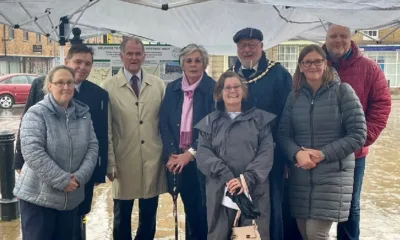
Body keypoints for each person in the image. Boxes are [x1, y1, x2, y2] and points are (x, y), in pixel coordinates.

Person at [13, 44, 109, 240]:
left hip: (72, 194)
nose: (66, 87)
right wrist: (62, 180)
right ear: (50, 85)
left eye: (70, 83)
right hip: (40, 194)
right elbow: (32, 148)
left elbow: (94, 145)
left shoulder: (84, 111)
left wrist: (81, 177)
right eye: (60, 83)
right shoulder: (37, 111)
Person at [277, 44, 367, 240]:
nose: (312, 66)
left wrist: (322, 154)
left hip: (332, 175)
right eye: (307, 62)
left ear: (325, 64)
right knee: (304, 233)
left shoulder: (343, 92)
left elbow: (358, 134)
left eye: (317, 61)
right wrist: (296, 153)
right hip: (301, 175)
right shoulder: (294, 96)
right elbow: (283, 134)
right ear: (300, 66)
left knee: (316, 234)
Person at [323, 24, 392, 240]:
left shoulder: (370, 68)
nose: (338, 40)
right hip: (319, 151)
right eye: (333, 36)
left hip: (354, 153)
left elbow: (381, 106)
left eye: (343, 36)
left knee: (350, 206)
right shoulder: (313, 63)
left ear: (351, 37)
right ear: (325, 38)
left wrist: (361, 139)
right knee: (312, 205)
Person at [229, 27, 294, 240]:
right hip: (238, 157)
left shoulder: (279, 74)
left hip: (270, 156)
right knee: (239, 208)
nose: (247, 50)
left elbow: (287, 118)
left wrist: (285, 158)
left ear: (262, 47)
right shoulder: (230, 75)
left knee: (270, 208)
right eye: (242, 46)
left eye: (252, 45)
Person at [195, 71, 275, 239]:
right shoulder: (209, 122)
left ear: (244, 91)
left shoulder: (260, 120)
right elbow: (203, 155)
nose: (233, 91)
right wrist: (228, 177)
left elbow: (266, 153)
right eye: (227, 87)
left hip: (253, 192)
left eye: (237, 87)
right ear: (219, 93)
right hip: (221, 192)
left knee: (252, 235)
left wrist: (245, 179)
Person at [102, 37, 167, 240]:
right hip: (123, 160)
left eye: (138, 53)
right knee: (122, 216)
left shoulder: (157, 85)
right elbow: (107, 130)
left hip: (152, 159)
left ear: (144, 56)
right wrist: (110, 163)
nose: (134, 57)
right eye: (129, 53)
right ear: (121, 56)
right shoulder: (108, 86)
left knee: (149, 215)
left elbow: (163, 124)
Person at [159, 43, 214, 240]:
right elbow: (164, 123)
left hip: (205, 161)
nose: (193, 65)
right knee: (190, 211)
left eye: (198, 60)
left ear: (204, 64)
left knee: (206, 212)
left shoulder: (213, 89)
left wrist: (190, 153)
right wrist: (172, 154)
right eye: (188, 61)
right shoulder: (172, 88)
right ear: (182, 64)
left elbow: (212, 127)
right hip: (179, 161)